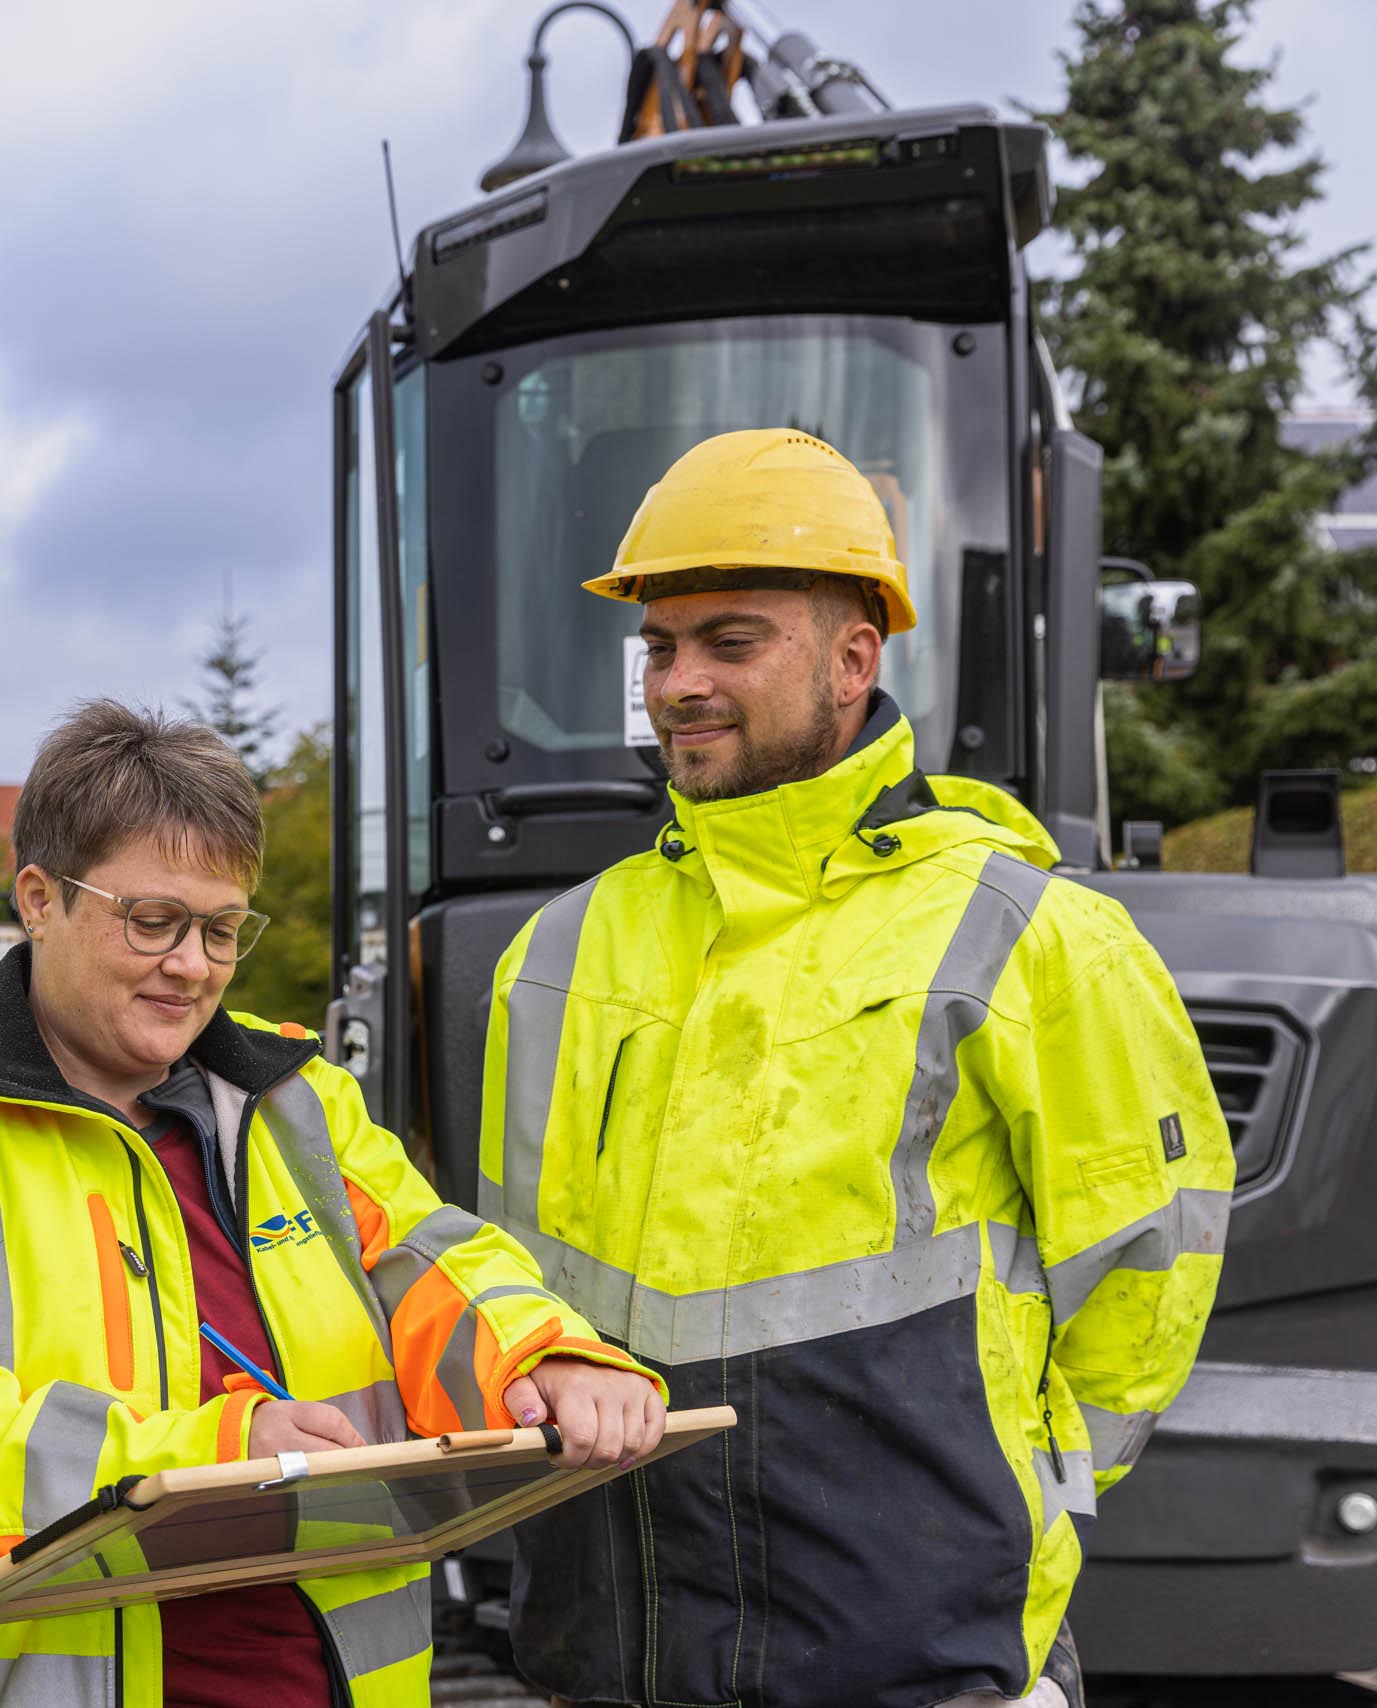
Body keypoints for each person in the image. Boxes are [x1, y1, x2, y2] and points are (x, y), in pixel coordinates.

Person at [480, 429, 1232, 1708]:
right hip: (611, 1653)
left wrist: (1024, 1498)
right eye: (659, 647)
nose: (679, 684)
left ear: (852, 659)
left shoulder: (1027, 934)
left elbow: (1149, 1270)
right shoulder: (554, 952)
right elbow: (516, 1272)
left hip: (916, 1655)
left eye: (730, 640)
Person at [0, 700, 668, 1708]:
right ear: (37, 899)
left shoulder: (297, 1109)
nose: (192, 965)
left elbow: (431, 1262)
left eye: (221, 929)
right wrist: (206, 1457)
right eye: (153, 921)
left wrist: (545, 1352)